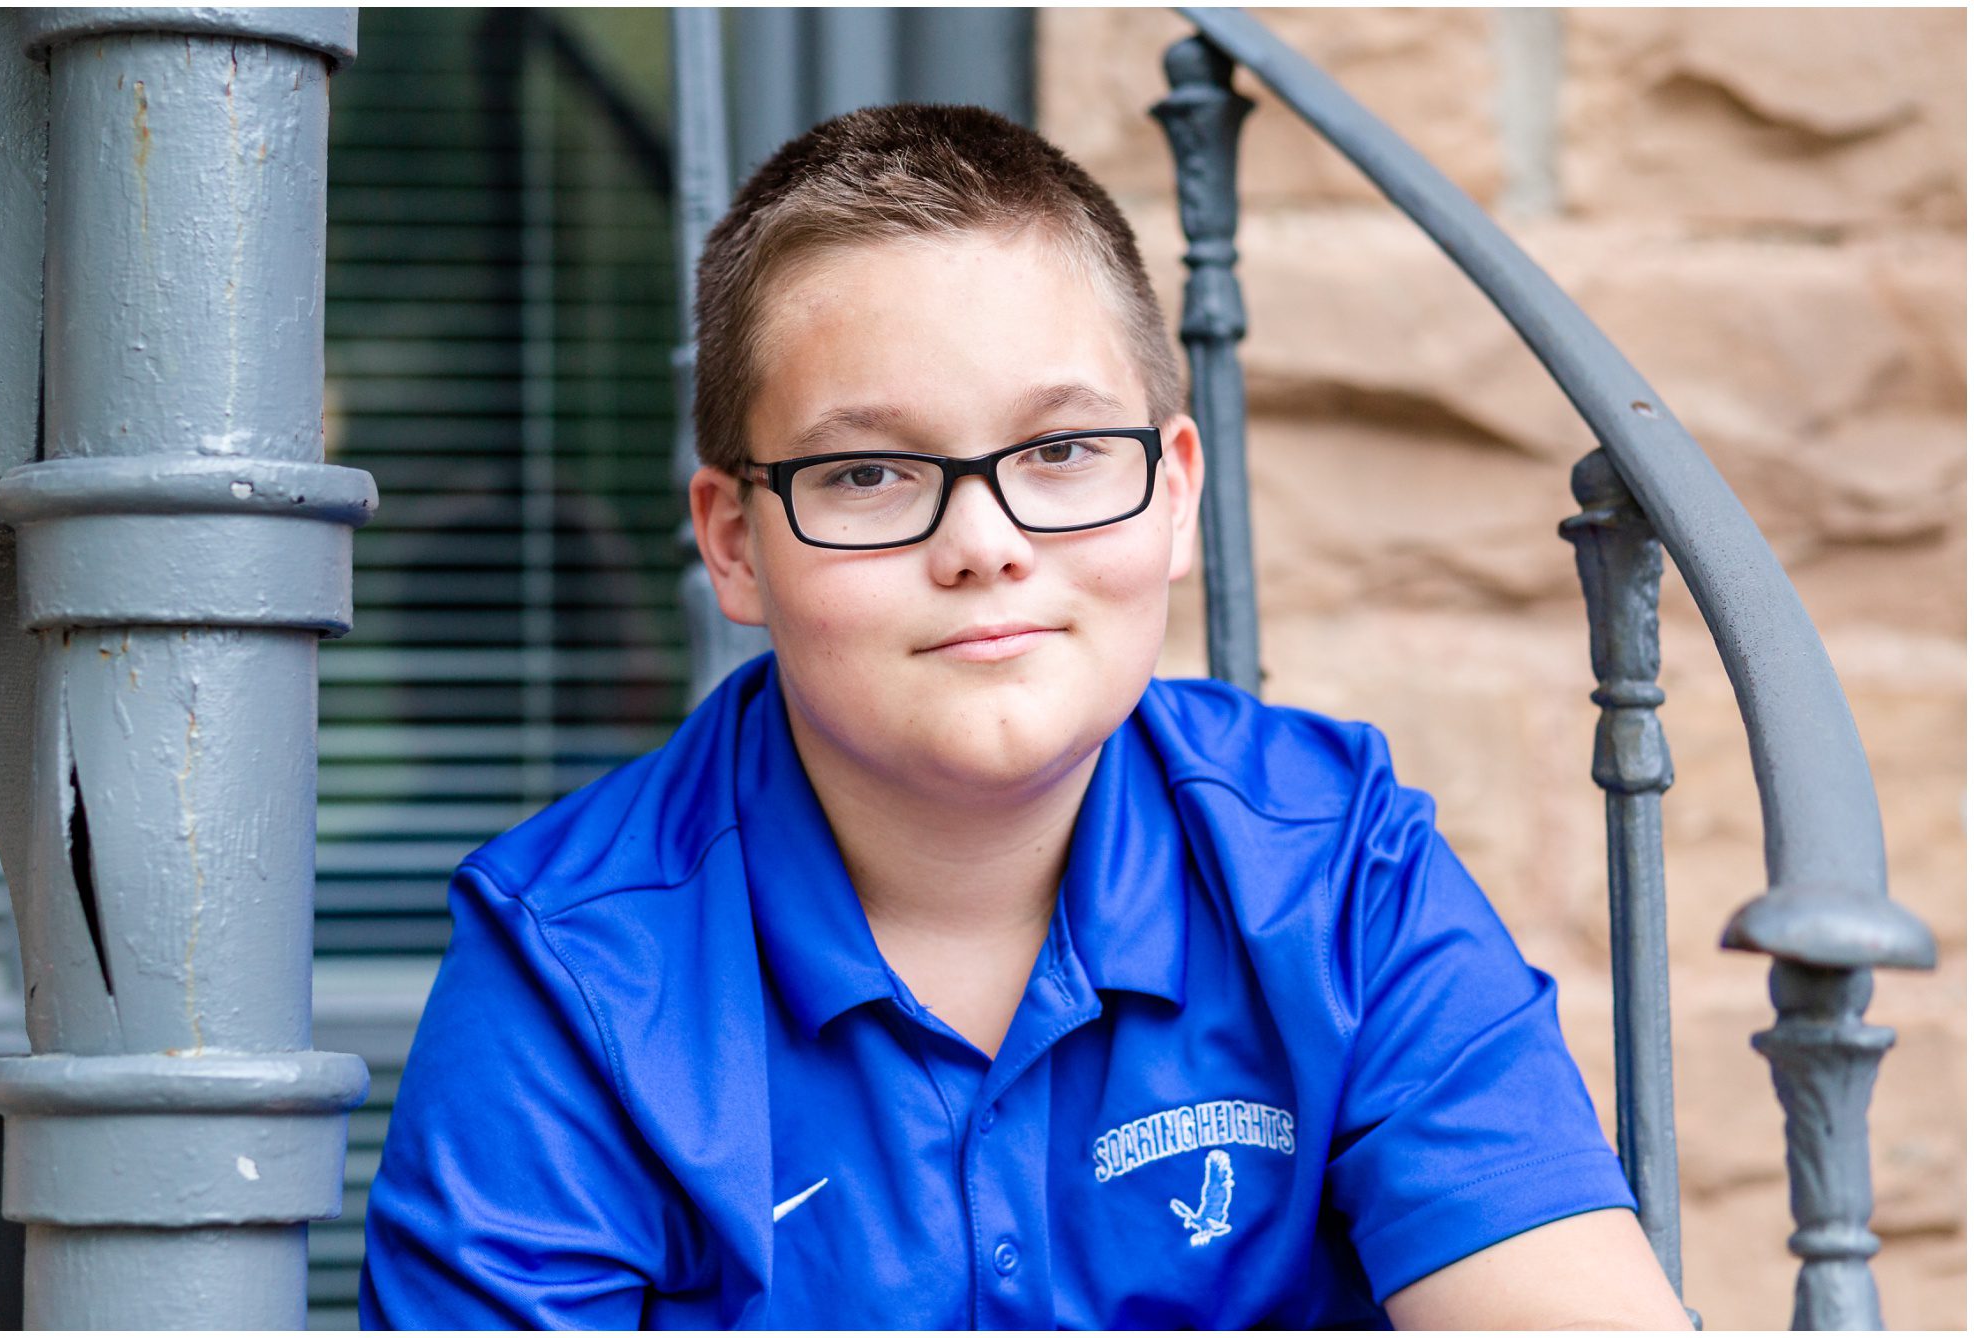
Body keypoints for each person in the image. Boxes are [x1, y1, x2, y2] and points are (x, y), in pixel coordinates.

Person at [359, 103, 1692, 1330]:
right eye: (871, 470)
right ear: (735, 544)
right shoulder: (573, 974)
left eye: (1059, 452)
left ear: (1174, 494)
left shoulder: (1333, 869)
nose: (985, 540)